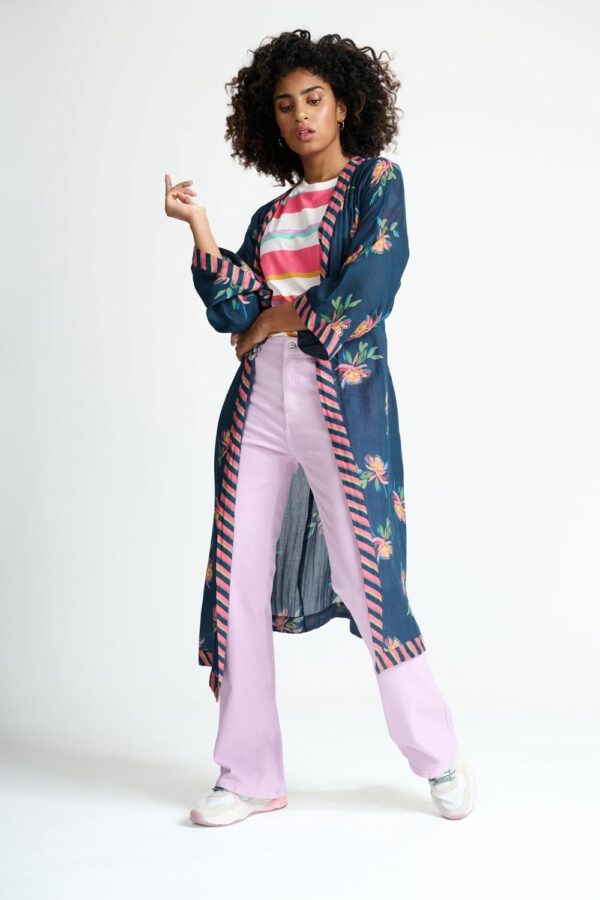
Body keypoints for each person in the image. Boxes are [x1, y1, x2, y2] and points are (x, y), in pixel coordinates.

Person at [164, 28, 476, 827]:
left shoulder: (376, 183)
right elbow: (235, 309)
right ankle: (248, 773)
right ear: (268, 120)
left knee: (369, 578)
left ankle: (437, 754)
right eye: (284, 105)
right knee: (236, 578)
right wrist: (199, 227)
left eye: (314, 99)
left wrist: (277, 316)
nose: (301, 116)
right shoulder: (271, 214)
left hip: (342, 403)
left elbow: (370, 282)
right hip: (258, 405)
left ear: (345, 104)